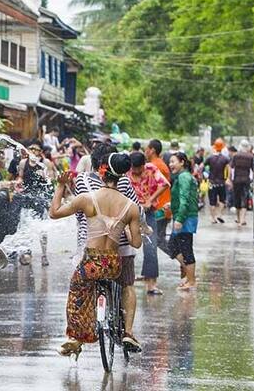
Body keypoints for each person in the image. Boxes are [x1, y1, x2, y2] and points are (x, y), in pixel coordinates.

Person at [50, 152, 141, 359]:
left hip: (91, 262)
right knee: (126, 285)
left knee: (78, 291)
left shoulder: (87, 199)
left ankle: (76, 338)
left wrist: (60, 186)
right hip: (114, 263)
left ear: (102, 172)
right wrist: (125, 229)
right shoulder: (131, 207)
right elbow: (136, 243)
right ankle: (127, 331)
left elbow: (54, 213)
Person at [127, 151, 169, 295]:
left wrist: (151, 199)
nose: (136, 171)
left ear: (144, 165)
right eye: (134, 168)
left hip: (148, 212)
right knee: (124, 247)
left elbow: (165, 184)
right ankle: (124, 282)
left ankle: (151, 284)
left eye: (139, 168)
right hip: (128, 212)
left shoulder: (151, 169)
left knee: (150, 246)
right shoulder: (126, 172)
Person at [15, 143, 56, 267]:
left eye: (36, 149)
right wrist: (18, 183)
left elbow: (51, 179)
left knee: (42, 229)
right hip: (27, 198)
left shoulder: (46, 163)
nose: (33, 151)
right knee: (25, 224)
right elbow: (21, 177)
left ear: (40, 152)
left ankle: (44, 255)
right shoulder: (23, 163)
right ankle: (27, 253)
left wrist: (43, 175)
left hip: (41, 199)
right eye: (31, 149)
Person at [169, 152, 199, 291]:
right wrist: (171, 205)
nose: (171, 165)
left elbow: (185, 198)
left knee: (185, 248)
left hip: (185, 218)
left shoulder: (184, 177)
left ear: (182, 162)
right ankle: (189, 274)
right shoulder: (182, 176)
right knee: (174, 247)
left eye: (173, 161)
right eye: (170, 162)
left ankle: (191, 280)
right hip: (182, 215)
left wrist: (180, 219)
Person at [230, 140, 254, 227]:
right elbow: (253, 170)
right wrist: (253, 180)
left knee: (237, 198)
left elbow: (232, 168)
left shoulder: (236, 156)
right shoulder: (250, 156)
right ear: (248, 147)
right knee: (244, 198)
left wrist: (230, 180)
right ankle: (243, 219)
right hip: (246, 180)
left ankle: (238, 218)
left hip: (237, 180)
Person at [205, 142, 231, 224]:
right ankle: (219, 214)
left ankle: (213, 218)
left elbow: (203, 166)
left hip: (211, 183)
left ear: (214, 147)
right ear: (222, 148)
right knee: (222, 200)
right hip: (221, 182)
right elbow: (229, 168)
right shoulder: (225, 158)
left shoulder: (210, 158)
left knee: (212, 201)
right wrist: (228, 179)